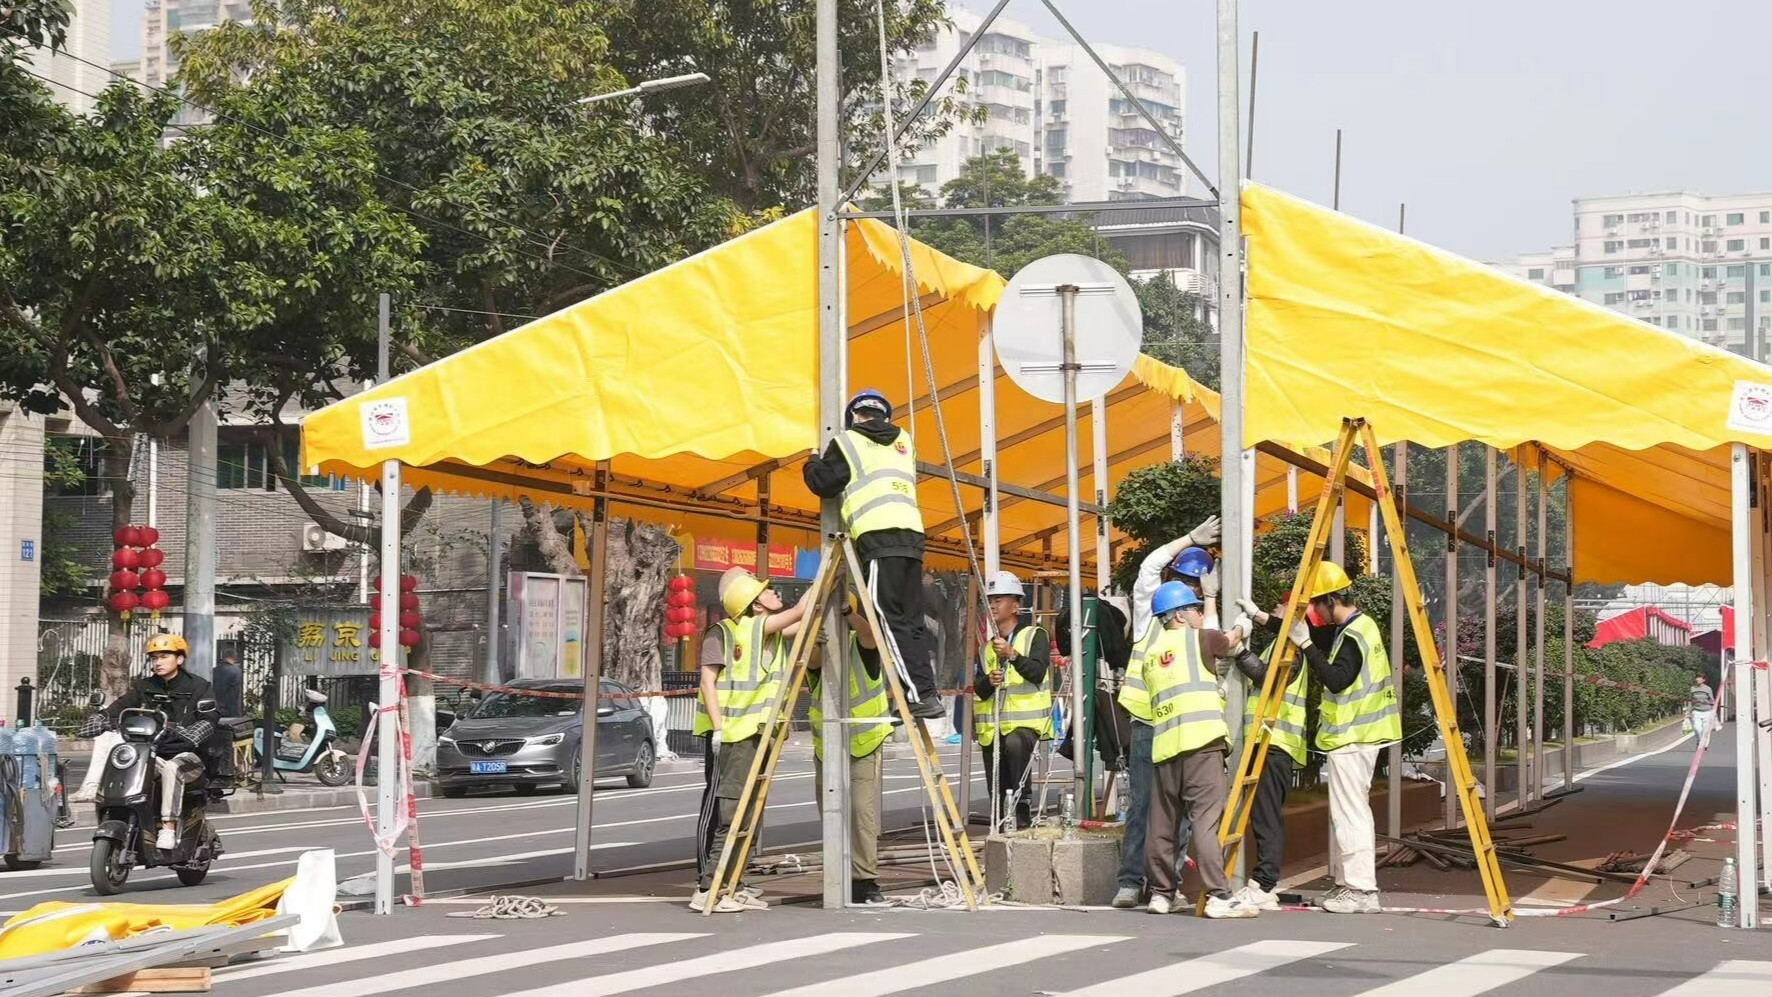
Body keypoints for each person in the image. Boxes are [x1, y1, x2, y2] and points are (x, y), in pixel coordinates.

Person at [803, 389, 944, 719]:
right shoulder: (904, 440)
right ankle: (924, 691)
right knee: (910, 621)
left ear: (855, 414)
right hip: (911, 536)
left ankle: (918, 694)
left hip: (879, 538)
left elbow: (824, 483)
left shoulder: (848, 441)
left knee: (887, 617)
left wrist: (812, 460)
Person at [1109, 520, 1219, 910]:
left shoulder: (1199, 621)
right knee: (1143, 805)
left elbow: (1216, 644)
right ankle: (1130, 881)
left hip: (1185, 729)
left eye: (1197, 587)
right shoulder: (1152, 610)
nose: (1190, 594)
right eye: (1188, 585)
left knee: (1182, 813)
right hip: (1148, 725)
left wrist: (1210, 602)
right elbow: (1148, 569)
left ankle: (1164, 887)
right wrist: (1187, 538)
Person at [691, 566, 814, 913]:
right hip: (734, 735)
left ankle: (732, 884)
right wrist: (717, 728)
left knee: (749, 814)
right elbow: (707, 683)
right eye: (767, 591)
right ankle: (709, 886)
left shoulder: (767, 633)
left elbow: (802, 621)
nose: (775, 592)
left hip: (758, 732)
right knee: (731, 813)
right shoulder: (739, 630)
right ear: (755, 606)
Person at [1287, 561, 1401, 914]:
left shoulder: (1352, 636)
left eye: (1315, 605)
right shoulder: (1357, 627)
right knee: (1351, 812)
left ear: (1330, 600)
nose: (1314, 614)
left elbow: (1337, 679)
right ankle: (1350, 885)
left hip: (1354, 736)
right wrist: (1265, 618)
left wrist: (1305, 645)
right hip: (1360, 735)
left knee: (1350, 814)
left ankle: (1362, 890)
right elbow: (1315, 636)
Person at [1136, 581, 1256, 917]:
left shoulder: (1151, 657)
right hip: (1202, 746)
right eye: (1195, 609)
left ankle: (1161, 894)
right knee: (1205, 823)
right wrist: (1244, 623)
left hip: (1166, 749)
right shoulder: (1200, 639)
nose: (1200, 614)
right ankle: (1219, 895)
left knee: (1162, 824)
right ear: (1180, 615)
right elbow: (1229, 641)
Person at [98, 634, 226, 850]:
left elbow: (211, 716)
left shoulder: (199, 686)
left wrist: (197, 730)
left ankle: (167, 827)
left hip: (188, 757)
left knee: (171, 768)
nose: (158, 662)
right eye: (154, 658)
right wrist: (100, 717)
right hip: (151, 752)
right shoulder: (144, 686)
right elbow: (121, 706)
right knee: (124, 762)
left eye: (164, 656)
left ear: (179, 659)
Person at [1228, 596, 1313, 911]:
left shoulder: (1291, 650)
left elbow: (1271, 679)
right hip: (1266, 741)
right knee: (1264, 816)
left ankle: (1263, 884)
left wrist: (1239, 652)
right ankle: (1264, 882)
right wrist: (1257, 615)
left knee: (1266, 818)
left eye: (1280, 607)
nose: (1275, 609)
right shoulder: (1281, 644)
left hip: (1273, 741)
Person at [808, 597, 894, 906]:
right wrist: (814, 642)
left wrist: (848, 613)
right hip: (826, 746)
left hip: (862, 743)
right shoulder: (819, 646)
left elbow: (872, 636)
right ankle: (837, 873)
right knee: (831, 813)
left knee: (860, 812)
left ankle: (864, 880)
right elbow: (814, 664)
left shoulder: (861, 644)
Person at [973, 570, 1051, 831]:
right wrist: (989, 682)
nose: (993, 605)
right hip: (993, 729)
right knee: (996, 781)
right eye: (991, 600)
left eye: (999, 600)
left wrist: (1013, 655)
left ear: (1016, 605)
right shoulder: (986, 648)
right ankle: (1000, 823)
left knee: (1016, 745)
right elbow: (979, 688)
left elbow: (1038, 673)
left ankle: (1022, 809)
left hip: (1026, 726)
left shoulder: (1034, 635)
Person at [213, 651, 244, 718]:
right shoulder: (236, 671)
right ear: (234, 657)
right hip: (231, 707)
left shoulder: (214, 670)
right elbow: (236, 691)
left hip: (216, 706)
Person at [1689, 674, 1716, 745]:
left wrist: (1713, 710)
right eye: (1697, 678)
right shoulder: (1692, 688)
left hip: (1707, 711)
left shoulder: (1708, 689)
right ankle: (1700, 741)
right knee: (1697, 728)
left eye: (1699, 678)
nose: (1697, 679)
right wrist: (1688, 712)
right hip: (1696, 711)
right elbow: (1690, 701)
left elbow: (1712, 700)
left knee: (1705, 730)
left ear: (1703, 680)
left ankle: (1705, 745)